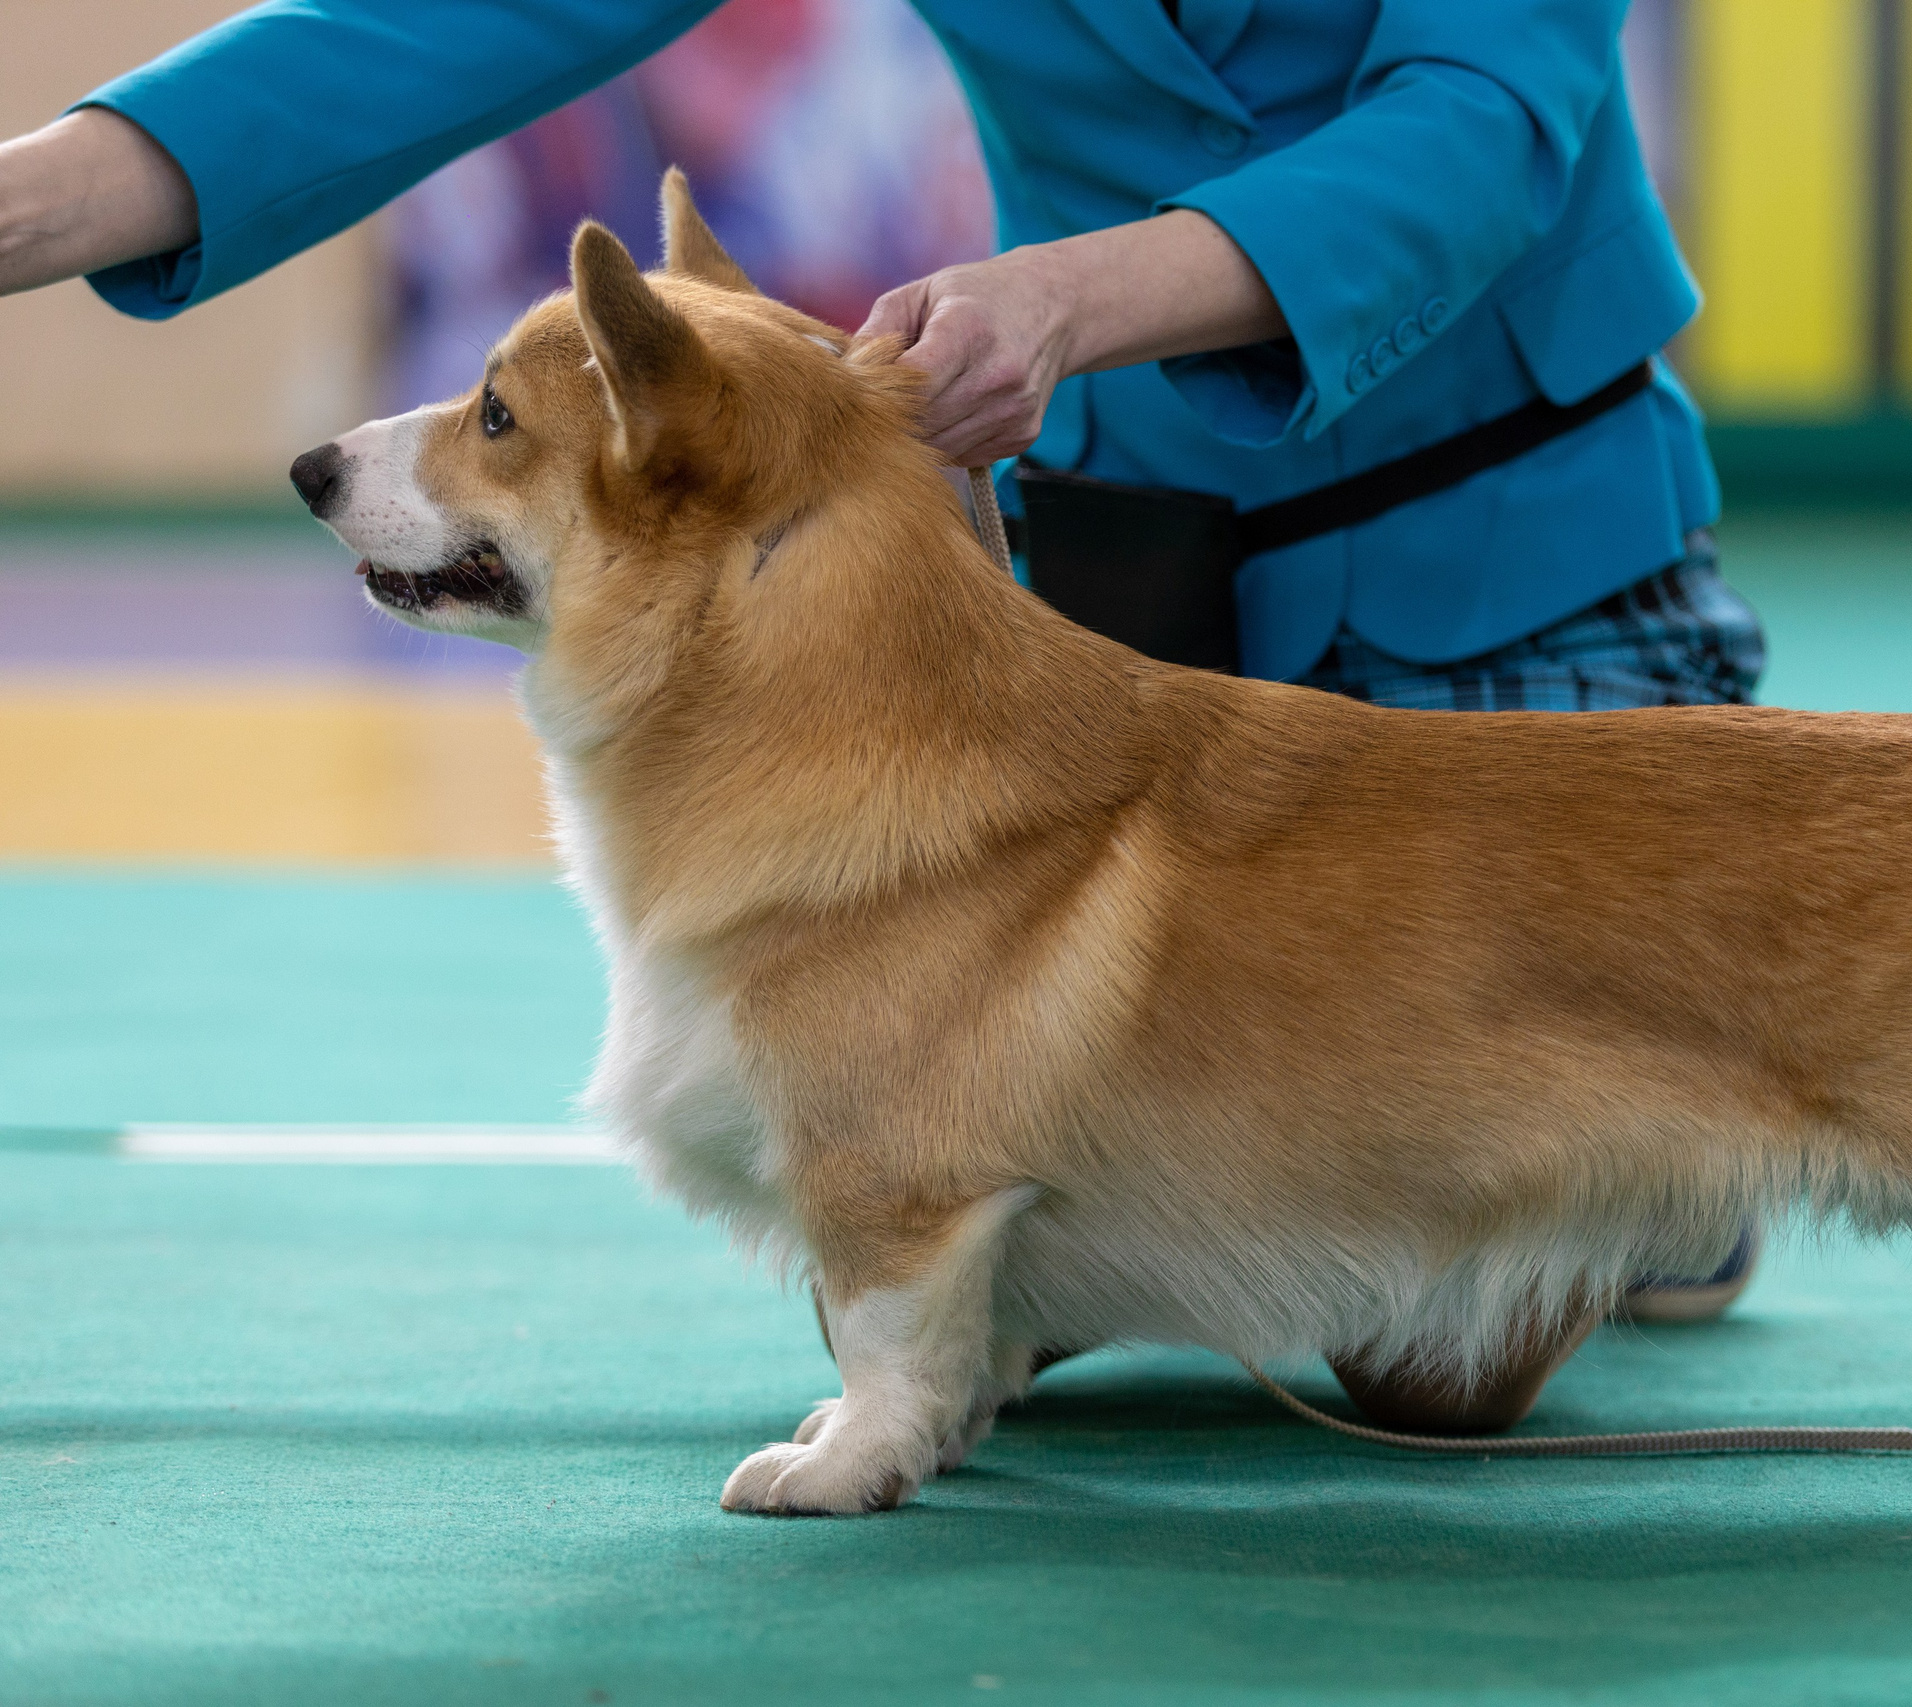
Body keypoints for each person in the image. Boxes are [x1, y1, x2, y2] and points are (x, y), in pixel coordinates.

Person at [0, 0, 1761, 1323]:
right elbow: (452, 20)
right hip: (1129, 571)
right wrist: (30, 203)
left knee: (1449, 1330)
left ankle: (1684, 1111)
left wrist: (1068, 298)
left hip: (1516, 529)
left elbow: (1481, 125)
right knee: (1025, 1245)